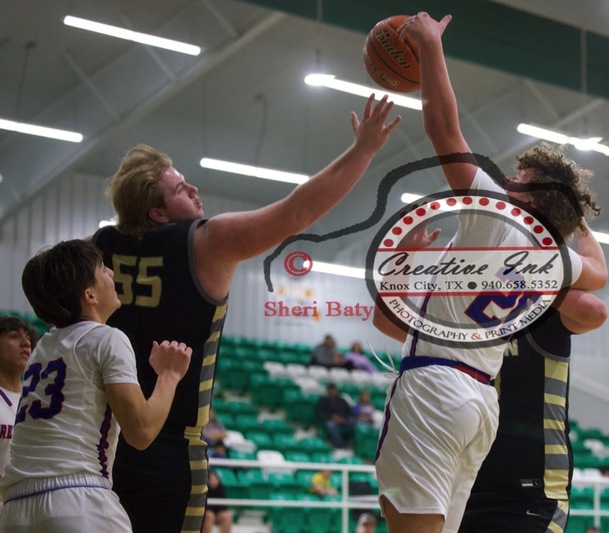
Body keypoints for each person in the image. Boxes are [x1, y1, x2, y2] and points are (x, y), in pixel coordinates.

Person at [91, 95, 400, 533]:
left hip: (101, 445)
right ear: (157, 212)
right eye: (181, 189)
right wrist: (363, 149)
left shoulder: (96, 248)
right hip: (171, 446)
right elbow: (297, 211)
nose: (194, 190)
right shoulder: (205, 242)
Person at [373, 13, 607, 533]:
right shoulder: (551, 256)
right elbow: (599, 272)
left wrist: (431, 47)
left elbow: (442, 128)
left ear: (527, 194)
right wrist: (572, 213)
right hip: (481, 404)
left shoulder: (497, 211)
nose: (509, 175)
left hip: (435, 385)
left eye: (520, 175)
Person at [0, 239, 191, 532]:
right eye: (103, 269)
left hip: (14, 507)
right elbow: (140, 431)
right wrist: (169, 375)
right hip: (76, 496)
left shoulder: (42, 349)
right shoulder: (106, 337)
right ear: (89, 294)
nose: (112, 274)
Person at [459, 290, 608, 533]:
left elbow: (596, 312)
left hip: (536, 492)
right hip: (473, 483)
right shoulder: (469, 322)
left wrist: (539, 281)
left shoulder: (543, 315)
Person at [0, 316, 38, 486]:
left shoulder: (38, 397)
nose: (26, 343)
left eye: (28, 339)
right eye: (14, 336)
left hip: (25, 503)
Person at [315, 383, 355, 448]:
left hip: (343, 419)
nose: (332, 392)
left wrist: (343, 418)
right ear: (327, 391)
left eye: (333, 390)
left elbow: (349, 412)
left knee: (353, 422)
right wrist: (331, 417)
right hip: (330, 419)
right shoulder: (323, 400)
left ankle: (352, 443)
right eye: (330, 390)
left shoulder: (342, 400)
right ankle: (339, 444)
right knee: (331, 425)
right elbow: (319, 413)